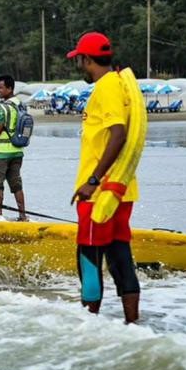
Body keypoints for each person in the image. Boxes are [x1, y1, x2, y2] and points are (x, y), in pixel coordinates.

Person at [67, 32, 142, 324]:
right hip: (121, 190)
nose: (80, 67)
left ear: (87, 59)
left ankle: (89, 327)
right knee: (119, 254)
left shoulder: (107, 86)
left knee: (88, 256)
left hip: (101, 193)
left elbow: (119, 133)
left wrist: (93, 181)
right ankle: (132, 324)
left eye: (80, 61)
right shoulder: (118, 84)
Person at [0, 74, 27, 221]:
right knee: (17, 185)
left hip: (0, 153)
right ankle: (22, 215)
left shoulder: (2, 107)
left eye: (1, 88)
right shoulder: (21, 104)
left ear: (10, 88)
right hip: (17, 151)